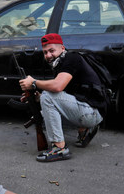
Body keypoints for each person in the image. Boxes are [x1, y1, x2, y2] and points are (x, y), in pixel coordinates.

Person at [19, 33, 105, 162]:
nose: (48, 55)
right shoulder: (60, 63)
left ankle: (59, 148)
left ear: (62, 48)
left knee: (48, 96)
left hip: (92, 112)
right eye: (45, 52)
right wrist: (37, 97)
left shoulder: (71, 58)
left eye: (52, 50)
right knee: (43, 115)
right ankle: (84, 130)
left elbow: (57, 87)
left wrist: (33, 83)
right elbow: (63, 95)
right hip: (88, 109)